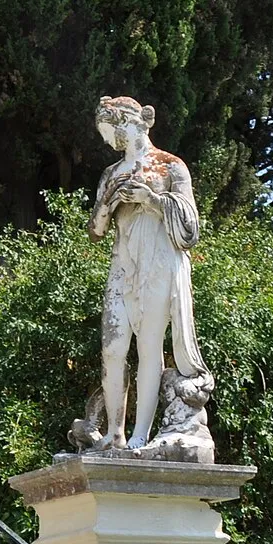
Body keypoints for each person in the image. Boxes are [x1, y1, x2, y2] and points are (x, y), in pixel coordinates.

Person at [85, 95, 208, 452]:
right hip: (123, 266)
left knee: (148, 347)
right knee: (112, 347)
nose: (108, 140)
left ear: (131, 123)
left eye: (109, 131)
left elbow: (190, 228)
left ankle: (140, 434)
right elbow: (95, 230)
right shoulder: (110, 174)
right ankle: (114, 434)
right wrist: (109, 202)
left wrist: (150, 198)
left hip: (157, 263)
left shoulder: (170, 166)